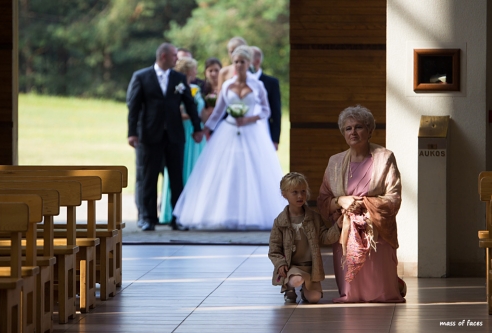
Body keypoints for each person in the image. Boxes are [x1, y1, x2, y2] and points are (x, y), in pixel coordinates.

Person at [173, 45, 286, 230]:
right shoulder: (226, 85)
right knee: (227, 170)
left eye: (242, 62)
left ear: (249, 63)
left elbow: (266, 110)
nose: (239, 65)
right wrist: (205, 129)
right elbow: (218, 112)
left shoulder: (258, 85)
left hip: (251, 131)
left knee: (252, 170)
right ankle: (224, 214)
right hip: (229, 130)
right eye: (236, 62)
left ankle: (252, 215)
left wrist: (249, 118)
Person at [316, 105, 407, 303]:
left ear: (369, 130)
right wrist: (341, 200)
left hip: (377, 231)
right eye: (348, 128)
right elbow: (323, 200)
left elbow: (394, 197)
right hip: (346, 231)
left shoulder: (385, 158)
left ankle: (392, 287)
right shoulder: (335, 162)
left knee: (382, 294)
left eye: (358, 127)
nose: (353, 132)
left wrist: (363, 205)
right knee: (351, 294)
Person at [127, 43, 204, 231]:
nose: (177, 59)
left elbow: (190, 103)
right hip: (150, 135)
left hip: (174, 135)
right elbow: (134, 107)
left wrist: (196, 127)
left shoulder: (178, 78)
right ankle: (147, 218)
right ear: (163, 57)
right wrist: (132, 133)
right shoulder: (142, 77)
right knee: (148, 177)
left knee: (177, 177)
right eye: (174, 56)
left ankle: (177, 218)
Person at [268, 172, 342, 304]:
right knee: (296, 279)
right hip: (292, 267)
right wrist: (280, 263)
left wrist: (338, 227)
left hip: (310, 268)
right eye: (294, 192)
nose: (300, 196)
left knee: (314, 298)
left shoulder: (314, 217)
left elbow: (324, 238)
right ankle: (289, 288)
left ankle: (305, 290)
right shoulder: (280, 221)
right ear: (284, 194)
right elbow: (274, 249)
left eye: (303, 191)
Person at [159, 57, 207, 226]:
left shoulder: (195, 88)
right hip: (183, 132)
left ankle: (194, 211)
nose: (196, 72)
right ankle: (173, 212)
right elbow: (176, 111)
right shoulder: (176, 87)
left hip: (196, 134)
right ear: (188, 71)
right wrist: (193, 117)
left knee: (196, 170)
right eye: (194, 69)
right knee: (179, 171)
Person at [251, 46, 281, 150]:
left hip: (265, 130)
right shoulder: (239, 82)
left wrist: (275, 139)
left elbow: (276, 112)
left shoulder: (271, 82)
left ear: (257, 61)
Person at [200, 57, 222, 123]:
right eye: (210, 71)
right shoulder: (201, 88)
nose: (213, 74)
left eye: (216, 70)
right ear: (205, 73)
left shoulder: (226, 87)